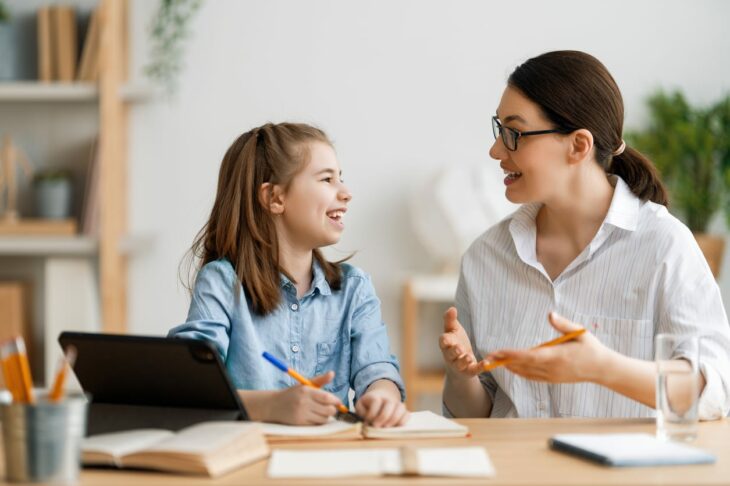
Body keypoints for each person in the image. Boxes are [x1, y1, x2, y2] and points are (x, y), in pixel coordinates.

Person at [439, 50, 730, 420]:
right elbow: (477, 417)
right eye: (499, 129)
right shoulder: (485, 257)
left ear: (578, 145)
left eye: (514, 133)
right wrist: (461, 374)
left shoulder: (664, 246)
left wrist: (604, 367)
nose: (496, 150)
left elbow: (713, 390)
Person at [169, 122, 408, 427]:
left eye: (341, 179)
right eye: (327, 179)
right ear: (275, 198)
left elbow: (377, 369)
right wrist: (271, 406)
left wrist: (382, 398)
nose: (346, 193)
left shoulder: (354, 288)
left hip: (330, 459)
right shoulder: (221, 283)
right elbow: (192, 386)